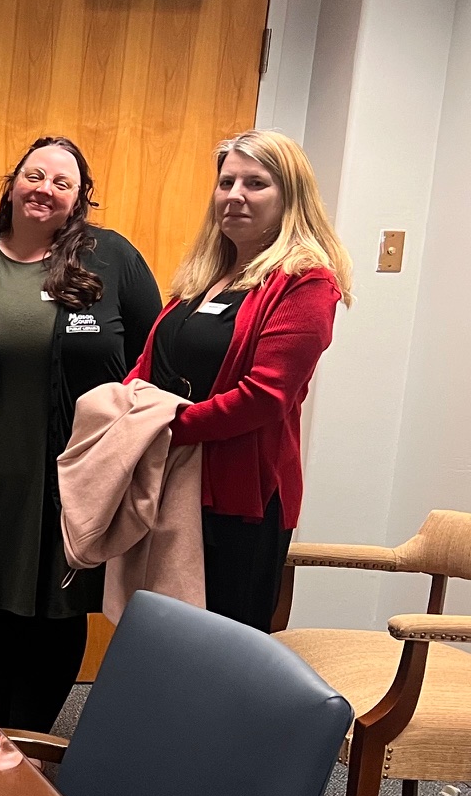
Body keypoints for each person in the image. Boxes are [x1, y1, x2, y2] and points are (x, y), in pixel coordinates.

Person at [0, 136, 161, 732]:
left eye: (61, 183)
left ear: (78, 199)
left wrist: (136, 450)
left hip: (72, 471)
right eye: (34, 175)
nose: (44, 189)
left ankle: (34, 739)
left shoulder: (111, 258)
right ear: (12, 183)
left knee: (58, 606)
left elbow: (154, 356)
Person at [130, 130, 352, 631]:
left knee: (217, 649)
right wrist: (125, 413)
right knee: (159, 636)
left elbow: (263, 398)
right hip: (167, 477)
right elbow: (151, 361)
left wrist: (162, 427)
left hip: (237, 498)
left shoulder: (307, 282)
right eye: (226, 181)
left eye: (256, 183)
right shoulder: (206, 275)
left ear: (290, 197)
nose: (235, 195)